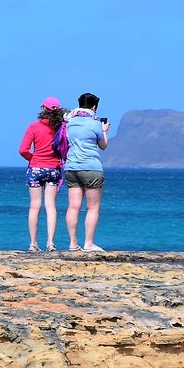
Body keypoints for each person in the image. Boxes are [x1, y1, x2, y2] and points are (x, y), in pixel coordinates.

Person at [62, 93, 110, 252]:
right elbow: (103, 145)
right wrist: (104, 131)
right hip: (91, 167)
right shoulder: (95, 123)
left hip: (71, 167)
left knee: (73, 207)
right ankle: (88, 243)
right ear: (94, 107)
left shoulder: (69, 122)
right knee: (92, 208)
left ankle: (72, 243)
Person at [17, 97, 65, 252]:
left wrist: (34, 160)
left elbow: (23, 150)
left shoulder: (34, 126)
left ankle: (33, 244)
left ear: (43, 109)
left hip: (36, 169)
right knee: (51, 206)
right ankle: (50, 243)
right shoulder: (61, 127)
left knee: (34, 206)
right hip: (53, 169)